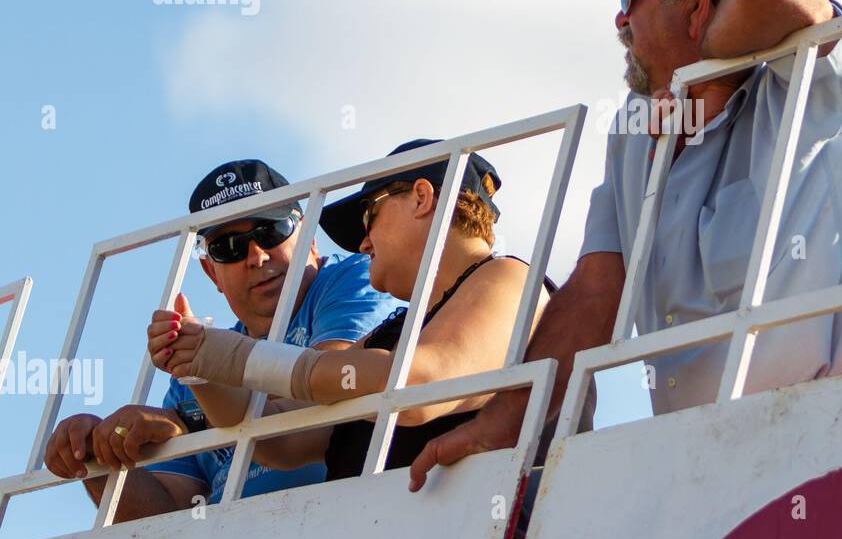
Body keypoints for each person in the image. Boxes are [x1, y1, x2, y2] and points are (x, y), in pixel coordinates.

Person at [407, 0, 842, 487]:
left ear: (698, 0)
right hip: (701, 469)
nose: (619, 19)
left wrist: (704, 75)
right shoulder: (635, 128)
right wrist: (501, 423)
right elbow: (597, 289)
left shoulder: (813, 78)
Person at [148, 141, 562, 480]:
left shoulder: (508, 277)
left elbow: (416, 386)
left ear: (421, 198)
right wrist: (200, 366)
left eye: (370, 216)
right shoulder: (399, 330)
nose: (363, 244)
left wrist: (239, 358)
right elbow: (274, 439)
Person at [43, 159, 395, 519]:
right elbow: (164, 518)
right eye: (229, 247)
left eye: (271, 230)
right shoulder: (198, 362)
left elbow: (332, 382)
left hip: (341, 527)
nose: (257, 256)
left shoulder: (350, 278)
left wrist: (188, 419)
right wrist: (96, 455)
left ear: (309, 238)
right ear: (211, 272)